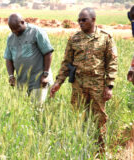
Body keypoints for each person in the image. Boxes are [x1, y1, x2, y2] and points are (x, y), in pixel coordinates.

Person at [50, 8, 118, 152]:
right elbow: (66, 63)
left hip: (97, 86)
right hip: (78, 86)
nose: (80, 23)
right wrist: (58, 82)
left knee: (99, 119)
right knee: (78, 118)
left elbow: (112, 63)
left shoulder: (106, 37)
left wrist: (109, 86)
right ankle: (80, 149)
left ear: (93, 20)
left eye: (84, 20)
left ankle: (100, 152)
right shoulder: (74, 38)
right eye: (79, 20)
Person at [4, 13, 54, 105]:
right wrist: (11, 76)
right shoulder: (11, 37)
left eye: (17, 28)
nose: (15, 32)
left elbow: (48, 53)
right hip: (21, 82)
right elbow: (8, 58)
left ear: (23, 22)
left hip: (38, 81)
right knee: (22, 110)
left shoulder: (36, 32)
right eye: (12, 30)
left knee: (37, 109)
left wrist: (45, 75)